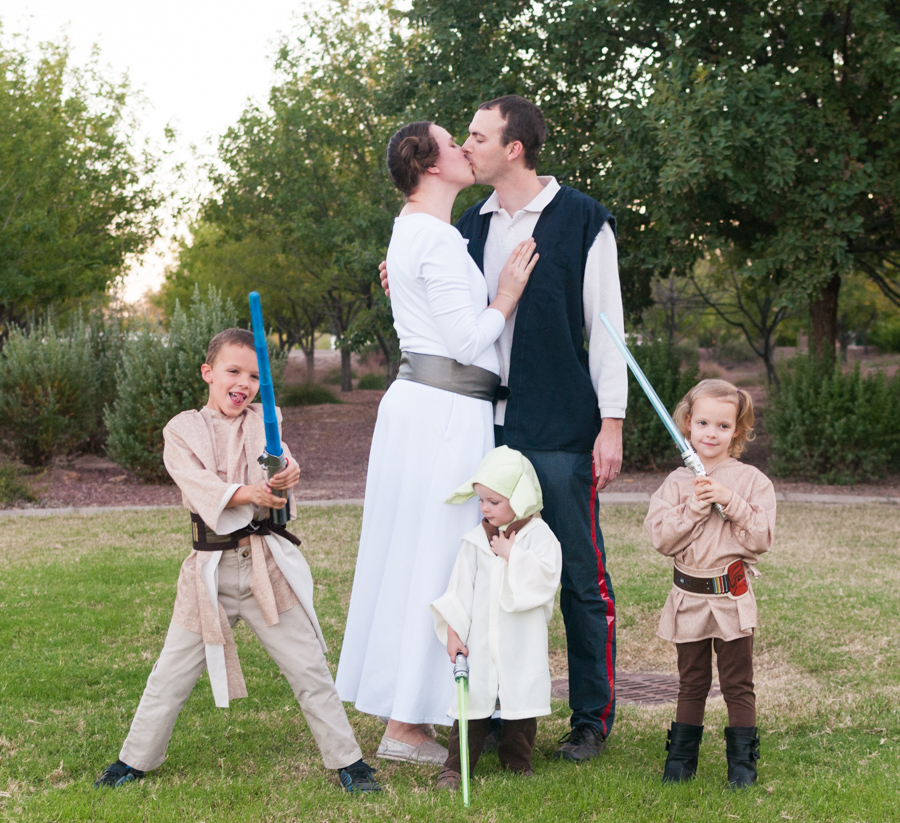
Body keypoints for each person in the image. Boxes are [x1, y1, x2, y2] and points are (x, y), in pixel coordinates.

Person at [94, 328, 379, 793]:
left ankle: (350, 762)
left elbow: (279, 463)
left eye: (252, 375)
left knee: (308, 667)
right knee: (171, 673)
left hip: (265, 567)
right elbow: (198, 483)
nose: (242, 382)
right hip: (210, 574)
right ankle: (134, 760)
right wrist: (250, 493)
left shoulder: (265, 420)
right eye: (233, 371)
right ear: (209, 373)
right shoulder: (182, 430)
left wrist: (287, 473)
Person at [334, 121, 539, 765]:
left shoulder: (410, 233)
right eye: (453, 144)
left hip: (424, 408)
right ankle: (406, 723)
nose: (465, 150)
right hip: (445, 412)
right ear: (428, 165)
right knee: (438, 555)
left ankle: (412, 711)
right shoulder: (437, 239)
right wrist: (506, 295)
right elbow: (470, 340)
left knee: (413, 552)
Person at [644, 379, 776, 789]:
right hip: (688, 598)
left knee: (738, 683)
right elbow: (662, 539)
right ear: (687, 424)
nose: (711, 433)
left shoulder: (753, 481)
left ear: (737, 429)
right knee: (692, 681)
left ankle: (742, 768)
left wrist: (730, 501)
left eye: (722, 425)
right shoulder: (676, 484)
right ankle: (680, 762)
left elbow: (761, 538)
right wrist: (694, 508)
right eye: (703, 423)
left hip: (731, 596)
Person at [430, 446, 562, 789]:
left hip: (521, 637)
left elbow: (547, 578)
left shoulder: (540, 537)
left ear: (520, 498)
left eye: (494, 501)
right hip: (480, 639)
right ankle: (455, 767)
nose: (485, 509)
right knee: (470, 704)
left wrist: (511, 554)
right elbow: (461, 589)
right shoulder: (475, 541)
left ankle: (517, 761)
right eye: (481, 501)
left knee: (521, 700)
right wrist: (455, 633)